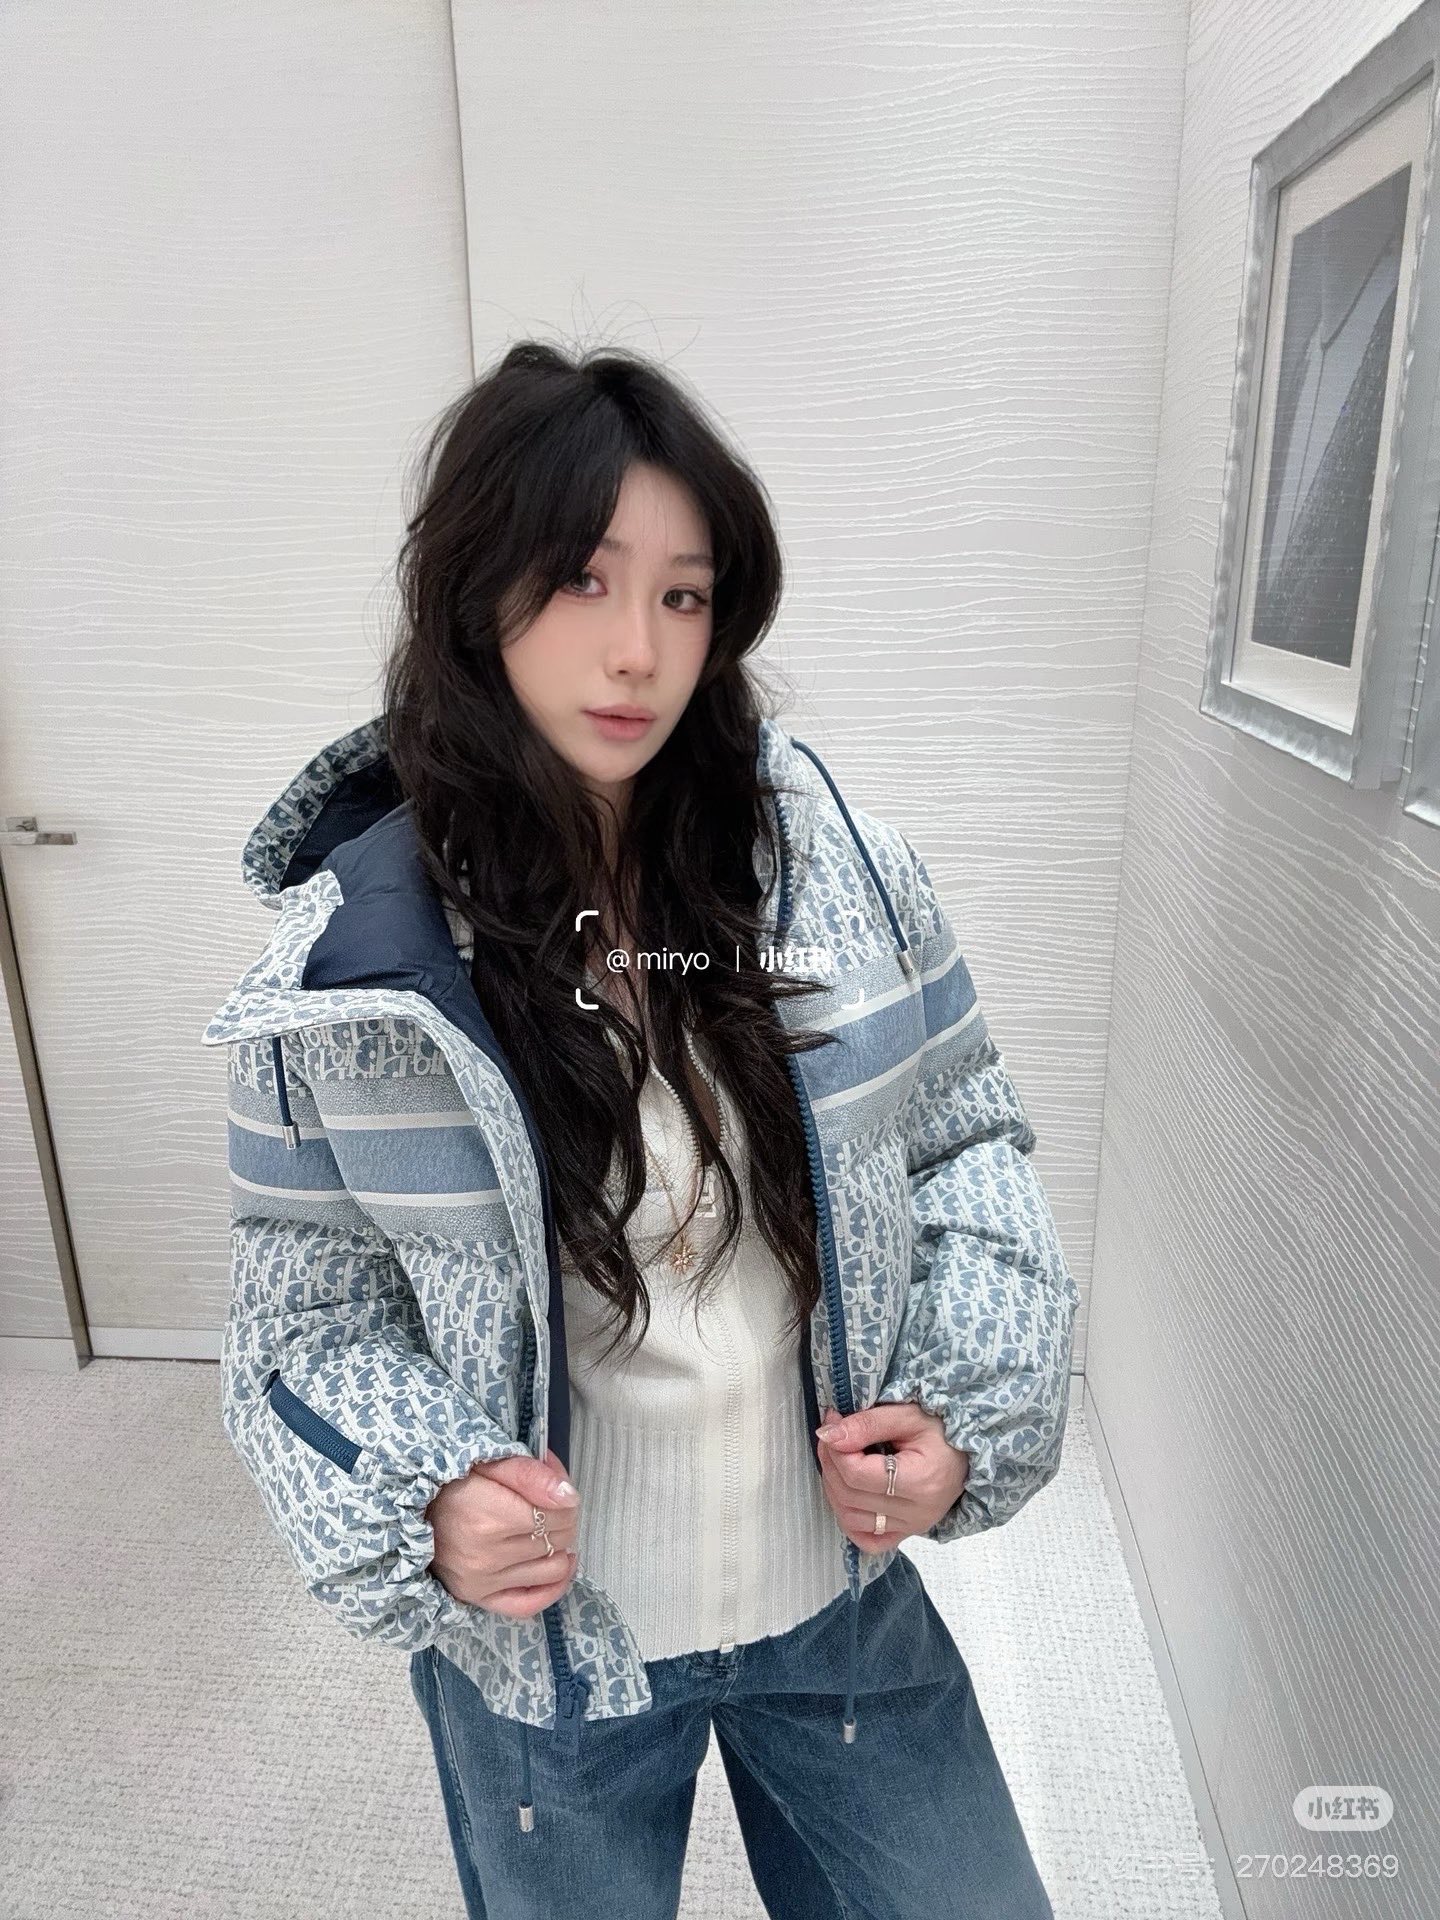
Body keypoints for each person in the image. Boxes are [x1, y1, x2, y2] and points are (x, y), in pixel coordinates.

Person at [203, 339, 1079, 1919]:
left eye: (684, 597)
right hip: (549, 1662)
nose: (638, 652)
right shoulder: (348, 970)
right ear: (475, 591)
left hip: (840, 1604)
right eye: (584, 582)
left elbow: (964, 1138)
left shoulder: (840, 872)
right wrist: (426, 1497)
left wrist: (964, 1405)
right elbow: (303, 1315)